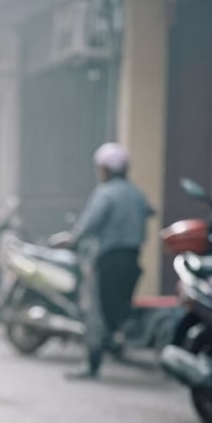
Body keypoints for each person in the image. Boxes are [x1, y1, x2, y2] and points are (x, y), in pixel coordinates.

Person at [61, 142, 154, 380]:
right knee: (119, 307)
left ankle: (91, 365)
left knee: (96, 313)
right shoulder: (136, 193)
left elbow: (89, 224)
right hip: (133, 258)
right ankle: (117, 342)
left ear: (105, 169)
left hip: (109, 258)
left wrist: (72, 238)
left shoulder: (105, 193)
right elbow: (149, 211)